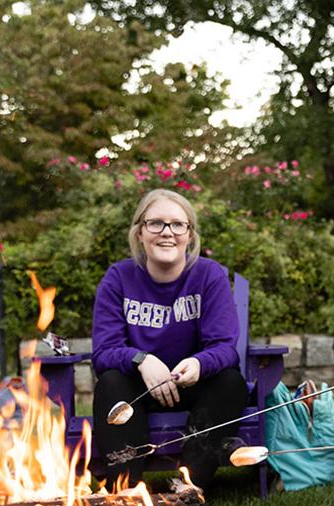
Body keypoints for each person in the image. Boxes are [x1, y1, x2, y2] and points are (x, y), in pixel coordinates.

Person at [92, 188, 247, 490]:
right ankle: (127, 491)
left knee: (230, 383)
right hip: (138, 388)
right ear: (139, 232)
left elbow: (225, 348)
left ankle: (189, 486)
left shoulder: (208, 276)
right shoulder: (118, 278)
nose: (167, 233)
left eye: (178, 224)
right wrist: (141, 360)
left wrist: (198, 364)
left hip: (191, 384)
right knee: (111, 383)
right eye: (156, 224)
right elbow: (104, 352)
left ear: (190, 234)